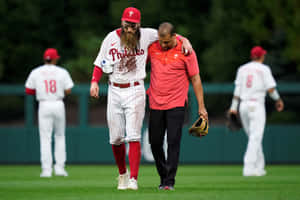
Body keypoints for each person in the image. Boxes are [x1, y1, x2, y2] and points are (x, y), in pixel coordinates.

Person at [89, 7, 193, 190]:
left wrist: (185, 41)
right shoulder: (110, 38)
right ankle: (123, 174)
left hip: (135, 89)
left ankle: (133, 179)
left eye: (133, 25)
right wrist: (94, 82)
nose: (130, 29)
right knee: (115, 138)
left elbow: (170, 34)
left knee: (134, 135)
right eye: (127, 24)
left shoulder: (147, 35)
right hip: (114, 89)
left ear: (139, 24)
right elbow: (100, 62)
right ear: (122, 22)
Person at [147, 22, 208, 190]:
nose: (163, 45)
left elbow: (195, 79)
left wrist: (201, 107)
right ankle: (163, 174)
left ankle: (168, 182)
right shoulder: (152, 47)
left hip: (177, 102)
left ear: (175, 37)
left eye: (167, 42)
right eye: (161, 41)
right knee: (155, 142)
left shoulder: (186, 51)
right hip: (155, 102)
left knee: (173, 141)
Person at [228, 46, 284, 177]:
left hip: (243, 106)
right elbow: (270, 89)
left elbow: (237, 90)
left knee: (253, 138)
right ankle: (248, 167)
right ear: (262, 56)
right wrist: (278, 99)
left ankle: (259, 167)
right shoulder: (264, 69)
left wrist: (233, 107)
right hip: (256, 105)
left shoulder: (242, 69)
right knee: (255, 137)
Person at [25, 48, 74, 178]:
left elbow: (29, 90)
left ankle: (46, 170)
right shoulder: (62, 72)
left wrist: (42, 92)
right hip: (58, 103)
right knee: (60, 136)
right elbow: (68, 90)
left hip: (44, 104)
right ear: (55, 58)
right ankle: (60, 169)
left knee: (45, 138)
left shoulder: (36, 72)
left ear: (44, 58)